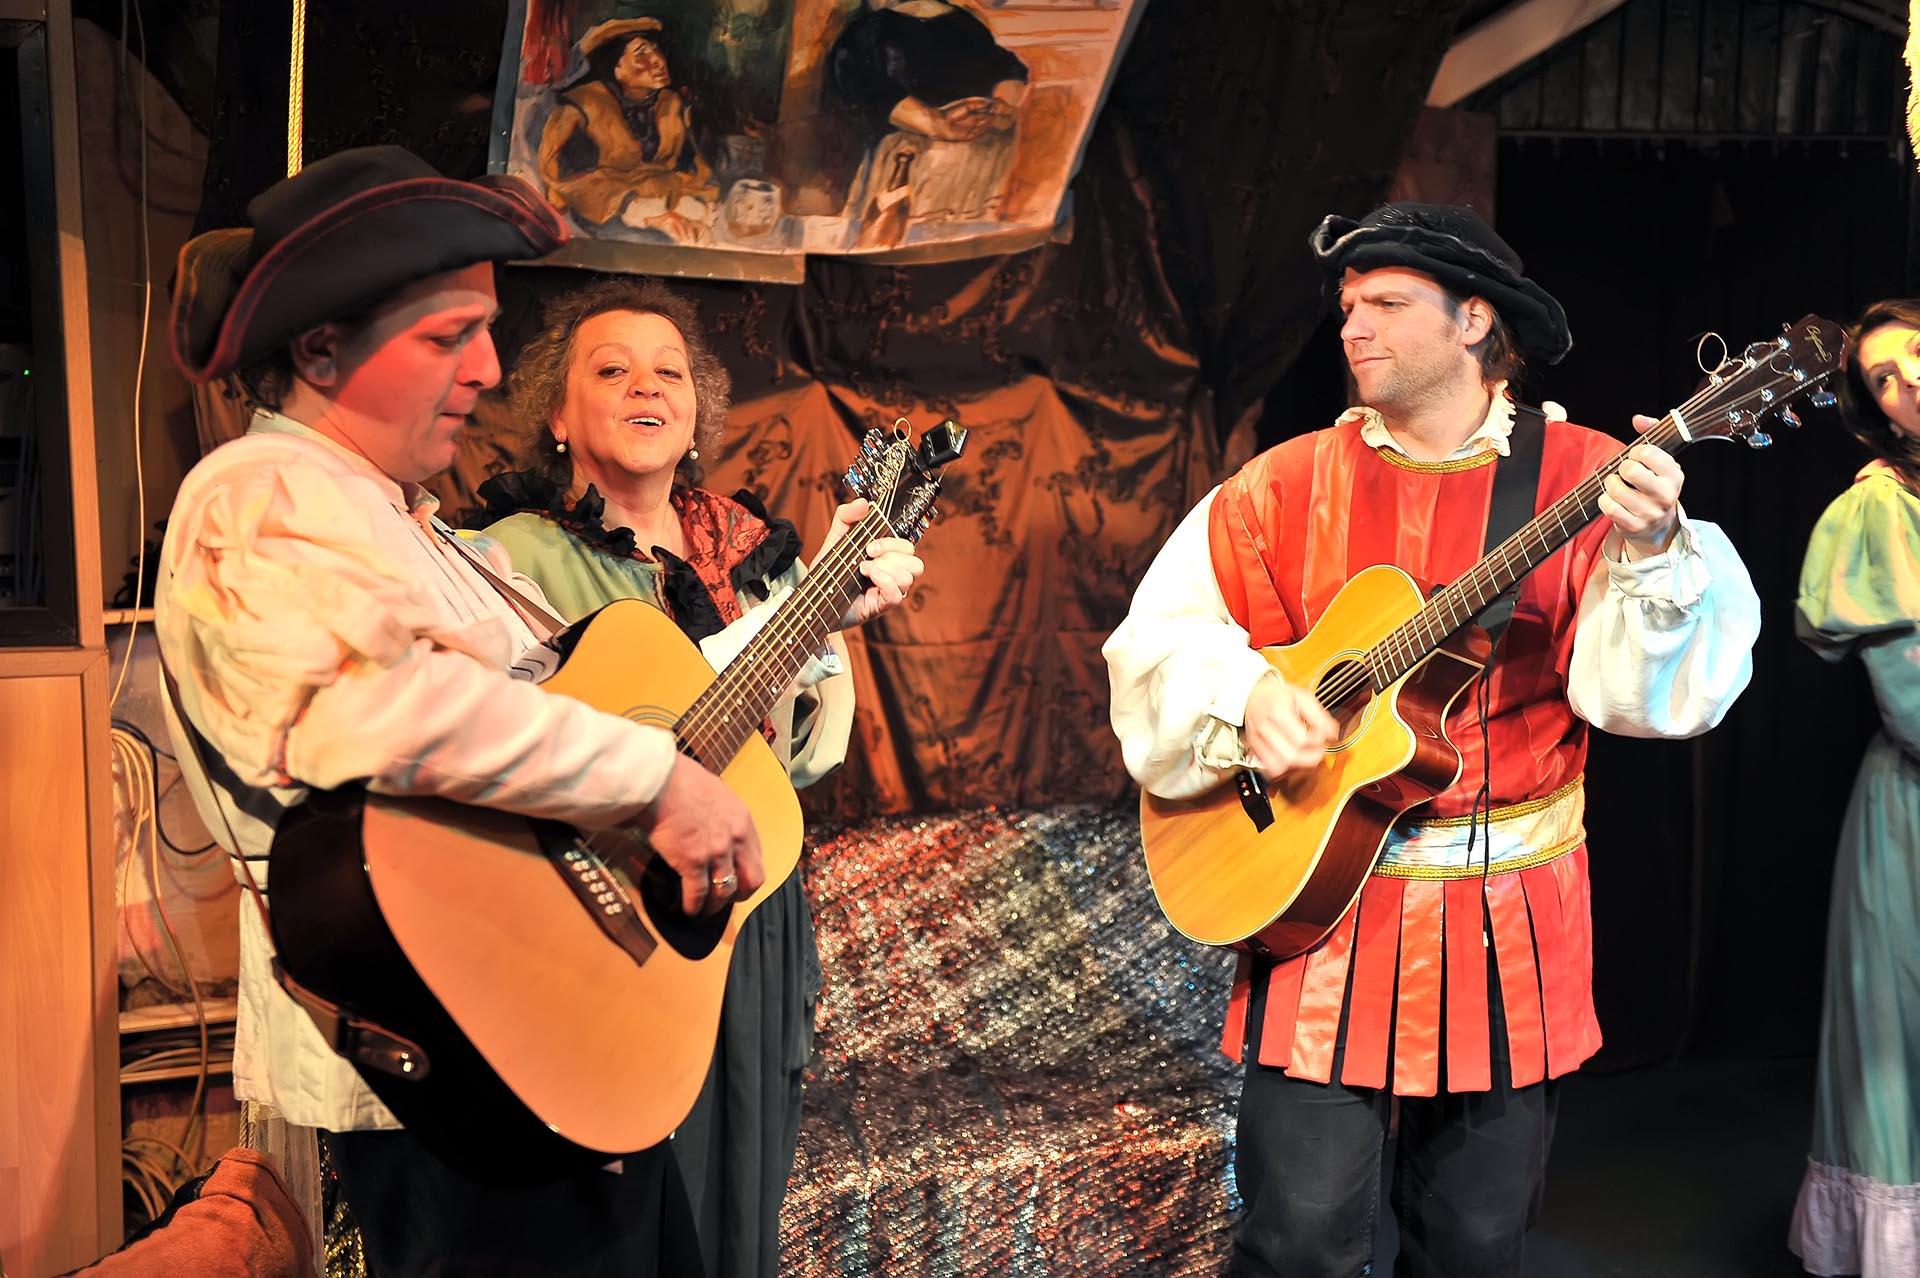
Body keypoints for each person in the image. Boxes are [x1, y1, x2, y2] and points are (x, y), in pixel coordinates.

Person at [151, 145, 909, 1276]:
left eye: (486, 333)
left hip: (546, 1034)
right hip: (456, 1053)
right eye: (448, 337)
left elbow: (566, 705)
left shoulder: (407, 522)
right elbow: (378, 709)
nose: (487, 369)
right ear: (319, 349)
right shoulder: (261, 497)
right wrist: (656, 782)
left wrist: (794, 637)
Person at [1103, 202, 1762, 1277]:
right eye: (1348, 304)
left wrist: (1652, 556)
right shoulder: (1282, 484)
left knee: (1475, 1245)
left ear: (1474, 321)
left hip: (1512, 924)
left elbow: (1647, 702)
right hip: (1318, 911)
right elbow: (1155, 642)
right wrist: (1247, 698)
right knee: (1297, 1239)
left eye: (1388, 304)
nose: (1353, 326)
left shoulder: (1591, 476)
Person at [473, 275, 923, 1277]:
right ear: (556, 415)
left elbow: (811, 753)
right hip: (590, 912)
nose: (647, 386)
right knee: (610, 1220)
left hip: (746, 906)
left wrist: (815, 626)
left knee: (736, 1208)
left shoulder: (756, 552)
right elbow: (501, 745)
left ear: (698, 412)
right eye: (612, 370)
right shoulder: (507, 559)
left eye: (669, 372)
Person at [1789, 298, 1920, 1277]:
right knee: (1900, 1057)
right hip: (1911, 817)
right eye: (1884, 379)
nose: (1909, 380)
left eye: (1916, 352)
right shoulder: (1880, 508)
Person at [827, 0, 1029, 244]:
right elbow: (865, 85)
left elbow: (1007, 70)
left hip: (962, 163)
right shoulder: (872, 31)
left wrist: (1000, 107)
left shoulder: (960, 24)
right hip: (914, 163)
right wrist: (934, 122)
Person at [537, 16, 718, 244]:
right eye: (641, 54)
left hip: (665, 202)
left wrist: (690, 204)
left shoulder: (671, 104)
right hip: (603, 212)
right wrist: (645, 212)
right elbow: (568, 180)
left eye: (656, 49)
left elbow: (690, 166)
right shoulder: (582, 107)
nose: (658, 60)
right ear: (616, 68)